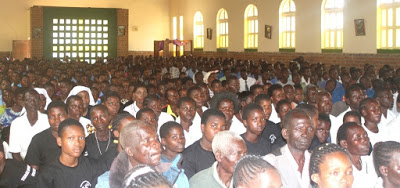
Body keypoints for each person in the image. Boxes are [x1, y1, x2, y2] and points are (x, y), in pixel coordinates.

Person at [36, 119, 117, 187]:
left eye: (81, 137)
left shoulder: (90, 165)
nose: (78, 143)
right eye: (71, 138)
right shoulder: (48, 175)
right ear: (59, 141)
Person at [264, 109, 314, 188]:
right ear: (285, 133)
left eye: (309, 129)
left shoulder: (317, 160)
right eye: (299, 129)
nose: (305, 134)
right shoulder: (271, 162)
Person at [109, 120, 162, 187]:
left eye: (156, 139)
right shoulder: (107, 183)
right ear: (130, 151)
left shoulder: (172, 172)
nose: (157, 144)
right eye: (147, 141)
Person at [182, 108, 226, 179]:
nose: (219, 131)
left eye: (223, 127)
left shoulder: (227, 151)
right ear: (203, 127)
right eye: (214, 126)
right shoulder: (188, 155)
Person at [25, 101, 67, 171]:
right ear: (48, 118)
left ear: (67, 115)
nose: (57, 120)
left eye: (61, 115)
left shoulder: (74, 137)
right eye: (52, 116)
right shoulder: (38, 140)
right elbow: (33, 171)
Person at [8, 89, 50, 162]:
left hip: (46, 162)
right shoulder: (16, 124)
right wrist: (27, 169)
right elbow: (15, 153)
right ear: (23, 103)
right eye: (29, 100)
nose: (33, 103)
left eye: (36, 100)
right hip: (24, 162)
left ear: (40, 102)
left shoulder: (47, 120)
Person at [337, 122, 377, 187]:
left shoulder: (369, 161)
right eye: (358, 138)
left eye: (365, 135)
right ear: (344, 143)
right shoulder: (340, 169)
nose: (365, 140)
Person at [159, 121, 190, 188]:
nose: (180, 140)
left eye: (182, 136)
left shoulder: (188, 156)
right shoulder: (159, 164)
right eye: (174, 137)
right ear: (164, 141)